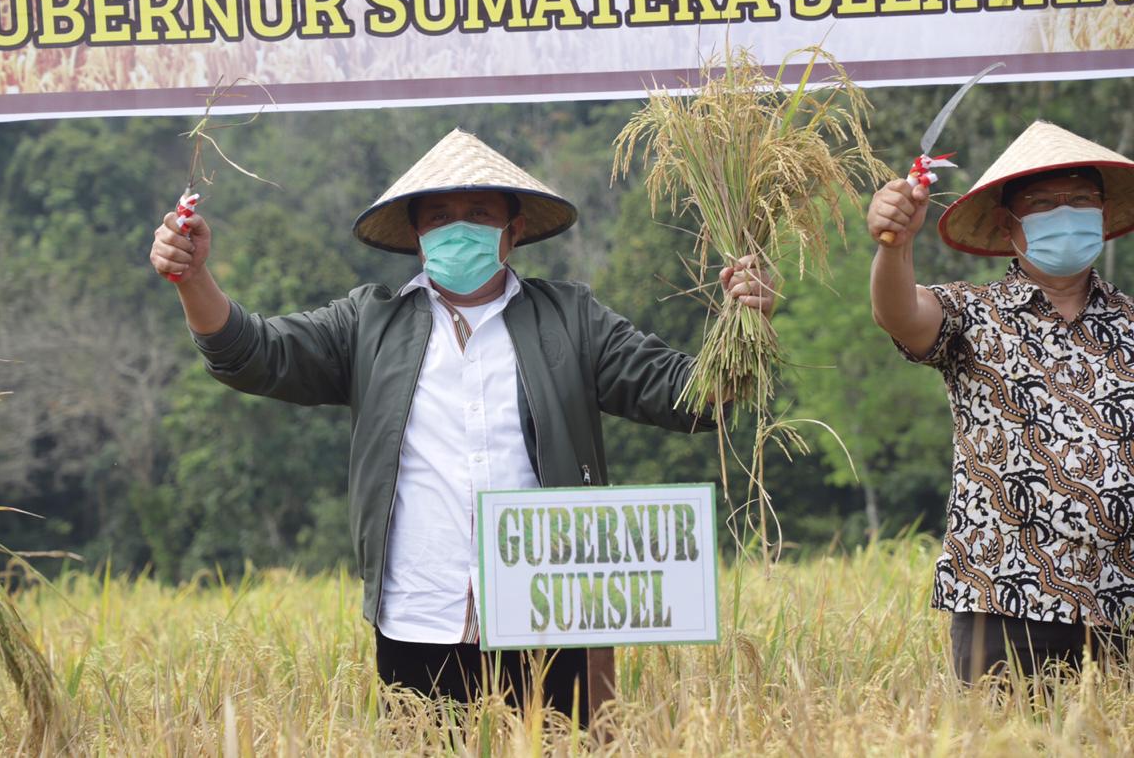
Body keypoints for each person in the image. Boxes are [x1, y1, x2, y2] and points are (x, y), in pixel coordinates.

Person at [148, 128, 774, 721]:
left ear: (513, 228)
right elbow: (251, 355)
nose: (459, 230)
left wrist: (744, 322)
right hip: (421, 617)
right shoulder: (368, 326)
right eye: (440, 217)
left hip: (550, 613)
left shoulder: (572, 320)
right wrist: (194, 278)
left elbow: (688, 397)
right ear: (416, 233)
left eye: (478, 214)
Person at [867, 120, 1134, 683]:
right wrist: (898, 246)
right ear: (1006, 223)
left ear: (1103, 217)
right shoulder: (971, 313)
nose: (1065, 213)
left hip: (1120, 599)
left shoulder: (1131, 324)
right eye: (1042, 203)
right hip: (1004, 601)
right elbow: (900, 314)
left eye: (1081, 199)